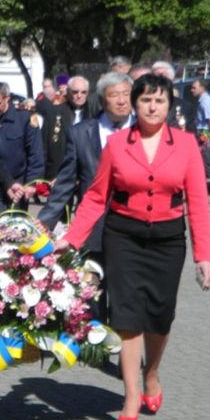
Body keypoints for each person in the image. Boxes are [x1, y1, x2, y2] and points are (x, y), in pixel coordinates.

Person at [54, 74, 210, 420]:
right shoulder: (116, 144)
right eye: (145, 100)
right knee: (127, 317)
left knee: (159, 317)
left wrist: (204, 256)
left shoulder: (187, 145)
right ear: (135, 104)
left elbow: (199, 204)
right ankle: (130, 396)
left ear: (170, 105)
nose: (152, 107)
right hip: (123, 237)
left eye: (160, 101)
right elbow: (96, 196)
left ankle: (151, 373)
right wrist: (73, 237)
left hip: (167, 239)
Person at [37, 72, 134, 319]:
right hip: (94, 230)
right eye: (115, 96)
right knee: (93, 297)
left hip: (133, 229)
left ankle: (128, 356)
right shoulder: (81, 133)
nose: (122, 101)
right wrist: (43, 222)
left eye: (126, 94)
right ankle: (98, 352)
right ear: (102, 100)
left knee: (128, 299)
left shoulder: (145, 130)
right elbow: (66, 183)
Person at [0, 80, 44, 213]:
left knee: (17, 227)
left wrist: (32, 183)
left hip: (19, 183)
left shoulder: (24, 118)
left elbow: (35, 153)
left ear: (7, 98)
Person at [152, 61, 197, 135]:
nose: (159, 82)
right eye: (154, 78)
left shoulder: (185, 107)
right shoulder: (144, 104)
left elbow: (192, 136)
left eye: (163, 77)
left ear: (172, 81)